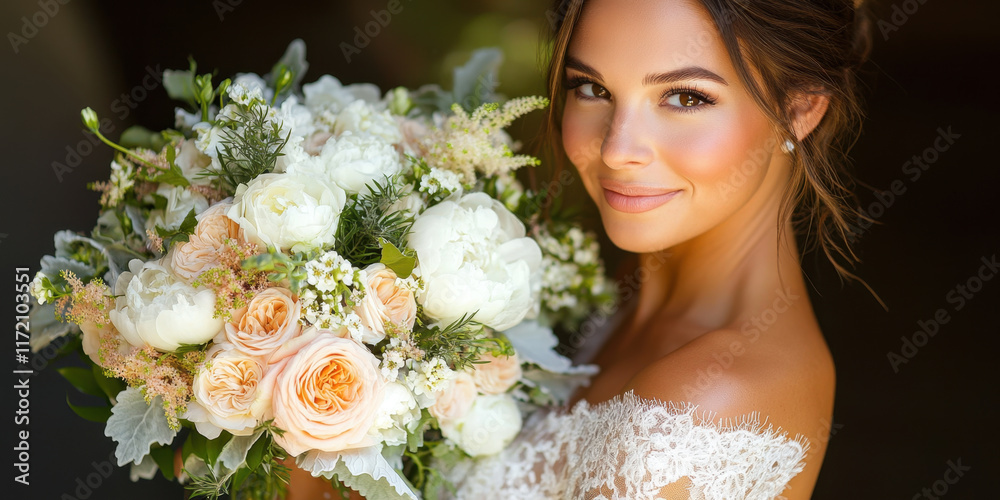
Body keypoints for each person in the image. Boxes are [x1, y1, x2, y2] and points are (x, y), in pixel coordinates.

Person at [439, 0, 875, 498]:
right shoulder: (625, 302)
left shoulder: (712, 396)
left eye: (686, 98)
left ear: (799, 108)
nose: (616, 149)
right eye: (592, 88)